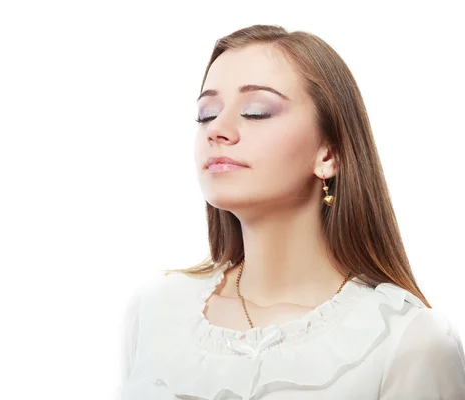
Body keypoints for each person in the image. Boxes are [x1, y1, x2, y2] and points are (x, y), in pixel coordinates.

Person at [117, 24, 465, 399]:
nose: (217, 129)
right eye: (206, 114)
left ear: (328, 154)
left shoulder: (406, 342)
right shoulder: (154, 313)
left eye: (256, 111)